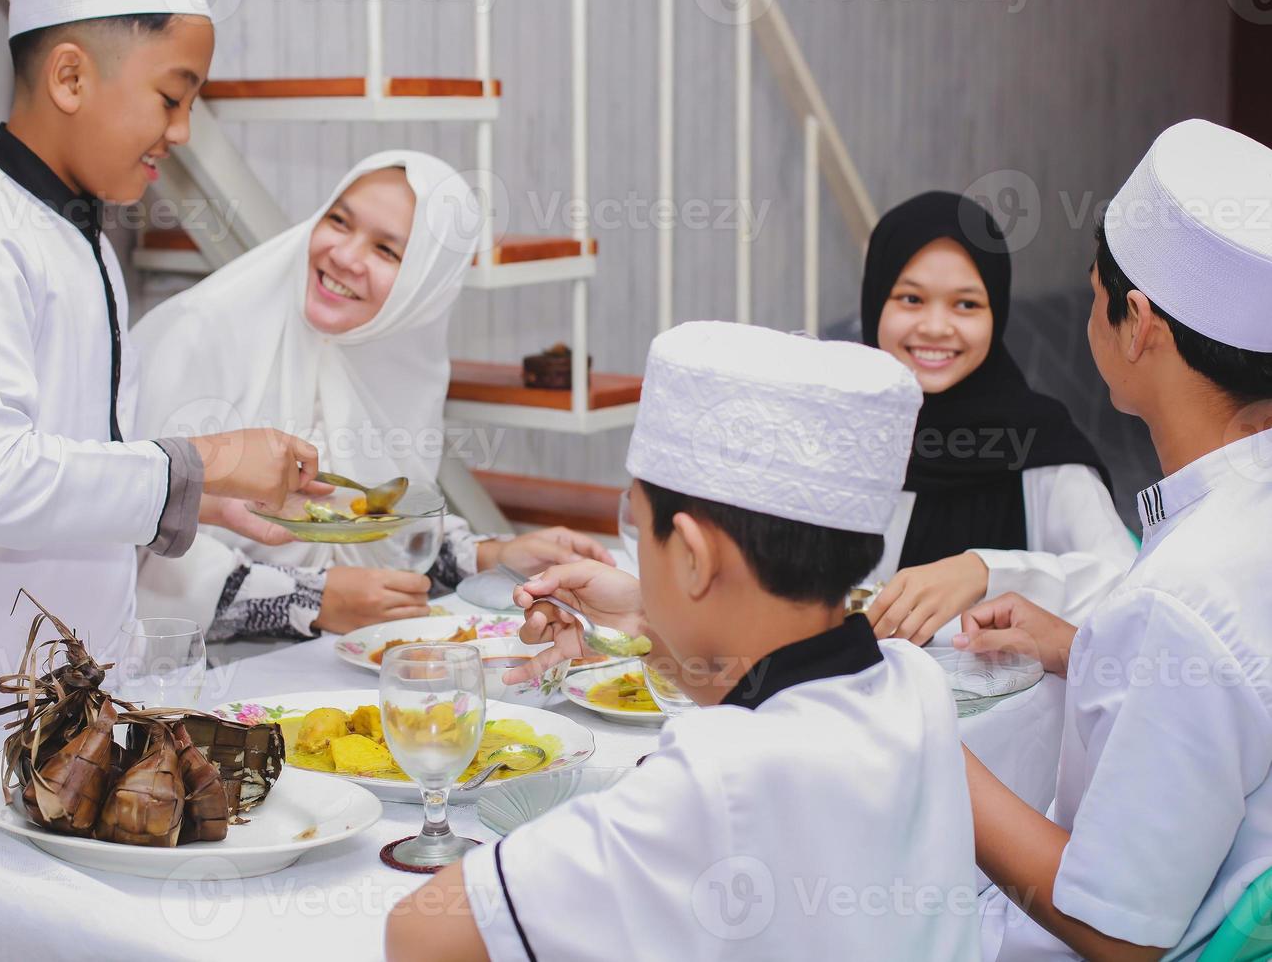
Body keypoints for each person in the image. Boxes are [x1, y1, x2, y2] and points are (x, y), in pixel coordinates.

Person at [0, 0, 321, 771]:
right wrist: (201, 461)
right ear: (69, 78)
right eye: (172, 96)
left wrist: (197, 495)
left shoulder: (79, 239)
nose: (183, 131)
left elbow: (66, 460)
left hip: (47, 727)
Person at [385, 323, 981, 961]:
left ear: (693, 557)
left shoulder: (714, 777)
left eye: (640, 529)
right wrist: (650, 626)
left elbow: (422, 933)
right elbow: (766, 679)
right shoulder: (912, 681)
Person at [960, 119, 1272, 959]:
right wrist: (1085, 646)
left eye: (1094, 289)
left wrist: (929, 750)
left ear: (1136, 324)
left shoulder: (1184, 596)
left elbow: (1113, 931)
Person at [131, 153, 612, 644]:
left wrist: (494, 556)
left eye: (387, 251)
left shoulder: (394, 360)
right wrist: (312, 600)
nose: (344, 256)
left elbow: (375, 524)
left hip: (330, 667)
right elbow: (129, 539)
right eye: (339, 221)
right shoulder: (200, 334)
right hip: (190, 681)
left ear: (424, 286)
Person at [859, 192, 1136, 645]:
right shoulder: (838, 430)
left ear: (997, 312)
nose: (934, 326)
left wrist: (986, 571)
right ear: (875, 302)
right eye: (911, 298)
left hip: (1002, 712)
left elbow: (1122, 584)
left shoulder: (1035, 441)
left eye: (966, 304)